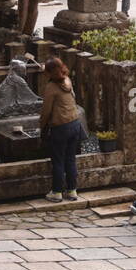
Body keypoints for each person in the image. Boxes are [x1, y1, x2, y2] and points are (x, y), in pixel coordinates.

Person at [39, 58, 86, 201]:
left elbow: (46, 111)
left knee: (58, 160)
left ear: (49, 73)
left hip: (60, 127)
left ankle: (57, 192)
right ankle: (72, 191)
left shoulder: (51, 88)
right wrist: (47, 69)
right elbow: (56, 74)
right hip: (75, 124)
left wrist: (41, 127)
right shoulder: (67, 80)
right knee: (70, 159)